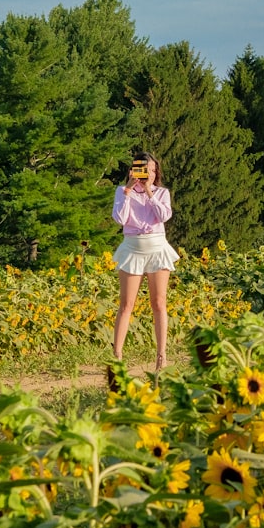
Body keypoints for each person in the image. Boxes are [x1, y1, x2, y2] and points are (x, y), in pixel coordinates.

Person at [111, 152, 180, 371]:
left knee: (159, 302)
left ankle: (161, 355)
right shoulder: (123, 192)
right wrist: (129, 190)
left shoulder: (162, 193)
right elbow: (120, 219)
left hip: (157, 247)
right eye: (142, 169)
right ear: (133, 171)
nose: (147, 174)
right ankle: (117, 355)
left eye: (150, 170)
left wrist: (149, 192)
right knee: (126, 304)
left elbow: (164, 216)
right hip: (132, 247)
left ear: (155, 172)